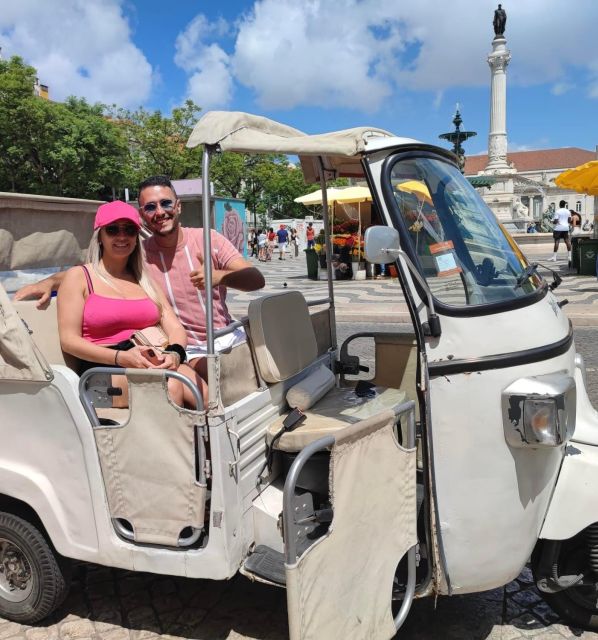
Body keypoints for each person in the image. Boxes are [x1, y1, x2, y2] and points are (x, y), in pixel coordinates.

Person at [15, 176, 265, 396]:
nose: (160, 212)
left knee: (203, 384)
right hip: (160, 355)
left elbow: (256, 280)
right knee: (186, 383)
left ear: (178, 206)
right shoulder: (141, 258)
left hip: (208, 341)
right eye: (150, 207)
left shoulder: (205, 241)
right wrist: (49, 281)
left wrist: (219, 277)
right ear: (143, 217)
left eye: (166, 203)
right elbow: (94, 273)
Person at [57, 200, 199, 408]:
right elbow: (69, 340)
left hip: (150, 358)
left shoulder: (144, 279)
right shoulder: (79, 277)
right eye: (113, 230)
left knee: (203, 392)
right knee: (170, 387)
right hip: (101, 371)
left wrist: (175, 353)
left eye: (129, 230)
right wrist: (121, 357)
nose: (122, 236)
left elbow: (175, 327)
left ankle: (203, 440)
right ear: (100, 237)